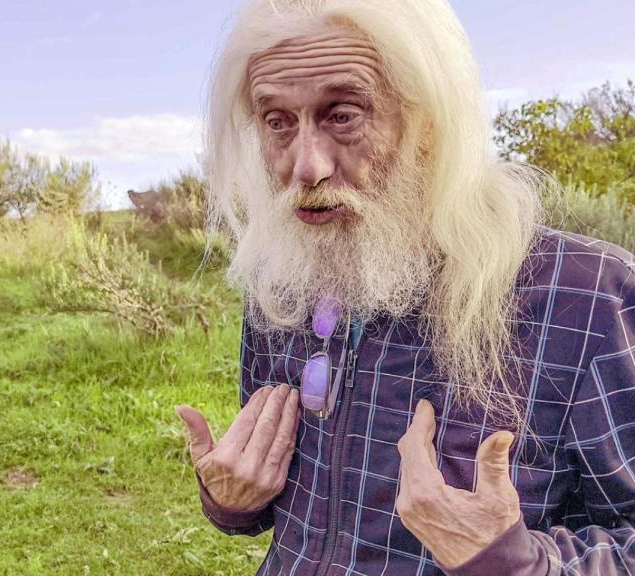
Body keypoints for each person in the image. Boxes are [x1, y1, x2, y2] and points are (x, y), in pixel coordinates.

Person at [176, 0, 635, 574]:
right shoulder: (284, 280)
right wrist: (232, 501)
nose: (306, 166)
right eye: (277, 122)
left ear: (429, 123)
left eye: (343, 115)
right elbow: (292, 504)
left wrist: (517, 562)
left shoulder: (586, 296)